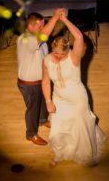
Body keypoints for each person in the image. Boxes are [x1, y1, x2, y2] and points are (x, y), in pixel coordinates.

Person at [42, 11, 105, 166]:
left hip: (77, 98)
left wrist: (64, 19)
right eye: (54, 53)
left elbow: (79, 37)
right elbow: (44, 81)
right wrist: (48, 101)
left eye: (60, 55)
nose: (56, 56)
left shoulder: (73, 57)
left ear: (67, 51)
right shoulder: (46, 60)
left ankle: (86, 155)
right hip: (59, 98)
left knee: (79, 127)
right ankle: (59, 153)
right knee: (59, 128)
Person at [17, 9, 64, 145]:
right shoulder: (25, 39)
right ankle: (31, 134)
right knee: (33, 109)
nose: (42, 28)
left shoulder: (39, 40)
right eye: (40, 26)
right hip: (29, 84)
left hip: (41, 81)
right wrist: (55, 18)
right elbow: (43, 36)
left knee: (43, 102)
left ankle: (43, 120)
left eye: (43, 25)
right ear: (30, 26)